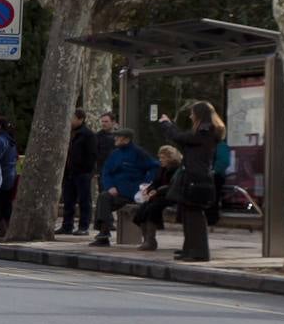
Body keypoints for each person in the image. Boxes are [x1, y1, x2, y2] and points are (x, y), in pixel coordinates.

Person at [157, 103, 222, 261]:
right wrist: (170, 126)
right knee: (187, 214)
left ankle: (199, 252)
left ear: (199, 115)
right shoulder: (204, 131)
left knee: (194, 215)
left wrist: (167, 124)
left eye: (193, 113)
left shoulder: (205, 130)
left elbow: (181, 138)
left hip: (196, 178)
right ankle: (189, 249)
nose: (191, 116)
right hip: (194, 176)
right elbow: (184, 141)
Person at [90, 129, 157, 248]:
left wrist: (146, 184)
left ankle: (104, 233)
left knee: (105, 199)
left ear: (126, 139)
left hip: (133, 193)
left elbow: (154, 166)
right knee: (104, 198)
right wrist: (110, 186)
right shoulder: (115, 153)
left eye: (118, 137)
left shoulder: (138, 153)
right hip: (118, 192)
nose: (115, 139)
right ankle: (104, 234)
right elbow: (106, 171)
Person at [60, 109, 99, 235]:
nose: (70, 121)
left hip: (82, 172)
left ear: (80, 119)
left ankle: (84, 226)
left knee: (84, 200)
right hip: (69, 172)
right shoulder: (69, 133)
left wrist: (88, 171)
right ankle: (67, 225)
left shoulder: (87, 135)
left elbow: (92, 154)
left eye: (73, 118)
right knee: (68, 200)